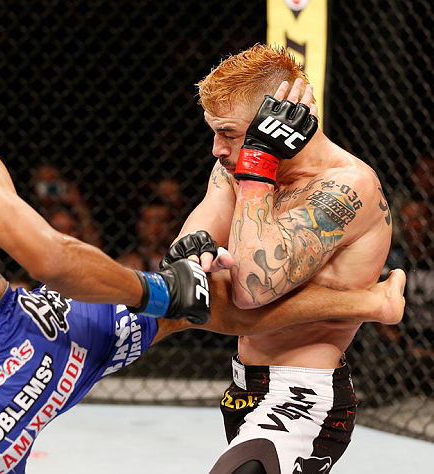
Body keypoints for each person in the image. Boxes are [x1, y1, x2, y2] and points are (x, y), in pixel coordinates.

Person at [0, 22, 404, 474]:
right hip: (16, 356)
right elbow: (50, 257)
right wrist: (160, 290)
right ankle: (374, 302)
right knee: (197, 300)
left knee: (206, 293)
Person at [163, 44, 397, 473]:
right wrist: (194, 248)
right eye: (214, 132)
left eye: (229, 134)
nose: (217, 148)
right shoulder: (235, 164)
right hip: (243, 385)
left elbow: (253, 288)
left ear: (278, 121)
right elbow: (192, 244)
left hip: (304, 397)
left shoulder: (347, 189)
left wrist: (257, 165)